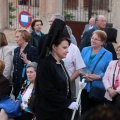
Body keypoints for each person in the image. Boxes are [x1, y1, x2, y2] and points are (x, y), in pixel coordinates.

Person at [35, 19, 79, 120]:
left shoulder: (61, 63)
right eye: (64, 48)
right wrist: (67, 102)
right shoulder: (45, 64)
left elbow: (65, 86)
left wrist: (71, 99)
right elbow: (48, 90)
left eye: (67, 48)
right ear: (54, 47)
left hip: (61, 110)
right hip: (49, 112)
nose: (67, 51)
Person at [80, 30, 112, 114]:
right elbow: (79, 66)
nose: (93, 41)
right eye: (92, 38)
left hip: (98, 88)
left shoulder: (108, 54)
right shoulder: (84, 50)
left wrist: (98, 77)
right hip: (84, 86)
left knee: (96, 114)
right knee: (84, 112)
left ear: (102, 42)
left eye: (96, 39)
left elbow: (109, 73)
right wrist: (84, 74)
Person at [13, 29, 38, 98]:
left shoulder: (33, 49)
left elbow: (37, 65)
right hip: (16, 82)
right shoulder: (16, 50)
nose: (15, 39)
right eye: (15, 37)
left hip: (27, 82)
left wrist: (27, 62)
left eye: (17, 37)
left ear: (24, 38)